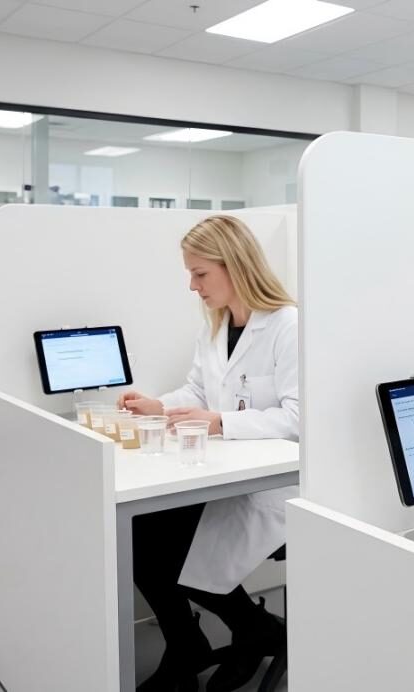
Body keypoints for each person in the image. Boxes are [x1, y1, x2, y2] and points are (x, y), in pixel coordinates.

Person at [119, 215, 298, 691]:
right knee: (139, 532)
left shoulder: (289, 327)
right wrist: (158, 405)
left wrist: (221, 423)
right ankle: (199, 641)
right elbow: (199, 389)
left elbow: (301, 419)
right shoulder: (216, 326)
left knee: (171, 547)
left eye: (200, 274)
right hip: (223, 471)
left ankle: (246, 632)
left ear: (234, 266)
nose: (192, 286)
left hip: (274, 487)